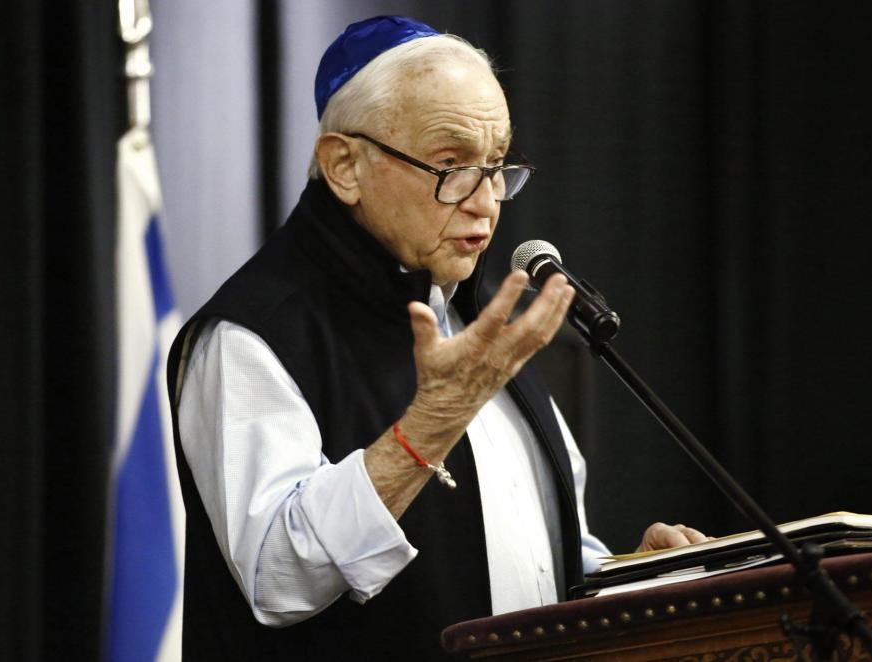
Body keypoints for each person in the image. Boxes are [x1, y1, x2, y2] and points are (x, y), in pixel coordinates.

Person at [166, 15, 706, 661]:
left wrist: (627, 579)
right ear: (344, 166)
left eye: (497, 165)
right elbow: (279, 577)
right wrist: (430, 425)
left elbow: (526, 567)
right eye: (450, 164)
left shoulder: (471, 319)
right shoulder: (255, 332)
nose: (485, 201)